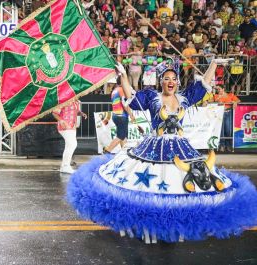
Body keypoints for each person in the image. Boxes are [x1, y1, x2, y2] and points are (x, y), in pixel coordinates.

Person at [67, 58, 257, 243]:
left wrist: (213, 64)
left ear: (178, 81)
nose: (170, 82)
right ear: (161, 81)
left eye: (173, 78)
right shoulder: (151, 97)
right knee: (149, 186)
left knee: (178, 186)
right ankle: (147, 224)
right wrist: (124, 76)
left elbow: (203, 86)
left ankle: (174, 226)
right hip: (153, 148)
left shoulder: (184, 97)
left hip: (180, 149)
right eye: (166, 78)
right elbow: (132, 96)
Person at [103, 75, 135, 154]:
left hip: (116, 115)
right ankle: (108, 150)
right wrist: (131, 115)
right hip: (121, 116)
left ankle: (124, 153)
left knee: (123, 135)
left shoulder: (115, 90)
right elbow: (125, 104)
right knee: (121, 136)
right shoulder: (121, 90)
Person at [52, 100, 87, 174]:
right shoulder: (65, 100)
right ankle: (65, 166)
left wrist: (81, 113)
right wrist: (61, 121)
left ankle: (64, 166)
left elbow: (75, 111)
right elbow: (54, 113)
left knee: (69, 146)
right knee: (72, 144)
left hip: (72, 126)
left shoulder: (76, 101)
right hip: (65, 125)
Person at [214, 86, 240, 152]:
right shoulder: (216, 96)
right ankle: (222, 145)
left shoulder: (230, 95)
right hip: (220, 114)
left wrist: (235, 102)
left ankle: (228, 145)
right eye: (217, 89)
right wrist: (218, 100)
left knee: (228, 130)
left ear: (223, 89)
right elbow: (212, 102)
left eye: (219, 89)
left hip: (228, 113)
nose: (218, 90)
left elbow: (238, 100)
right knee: (221, 130)